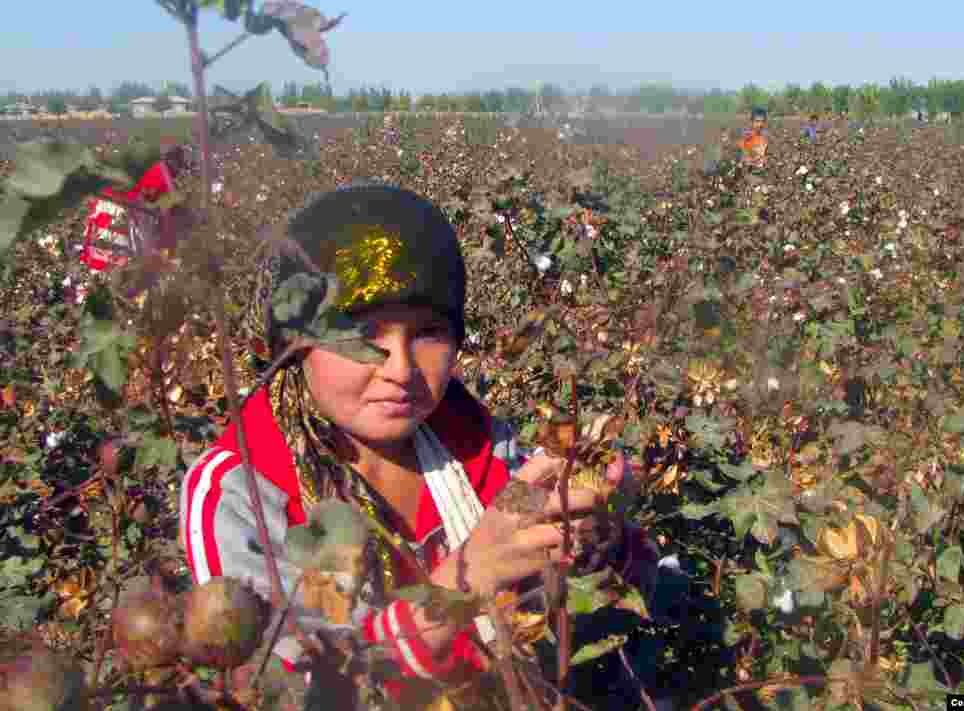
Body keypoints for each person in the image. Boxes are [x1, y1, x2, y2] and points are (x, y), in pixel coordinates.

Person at [177, 184, 662, 710]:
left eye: (429, 333)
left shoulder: (469, 438)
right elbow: (294, 694)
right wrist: (462, 580)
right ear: (295, 344)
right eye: (362, 334)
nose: (401, 370)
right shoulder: (241, 492)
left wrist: (590, 526)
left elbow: (516, 534)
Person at [79, 140, 188, 272]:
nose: (178, 171)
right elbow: (162, 196)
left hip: (129, 203)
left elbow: (155, 196)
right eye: (179, 167)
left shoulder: (159, 170)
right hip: (129, 203)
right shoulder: (162, 170)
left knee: (142, 239)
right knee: (142, 240)